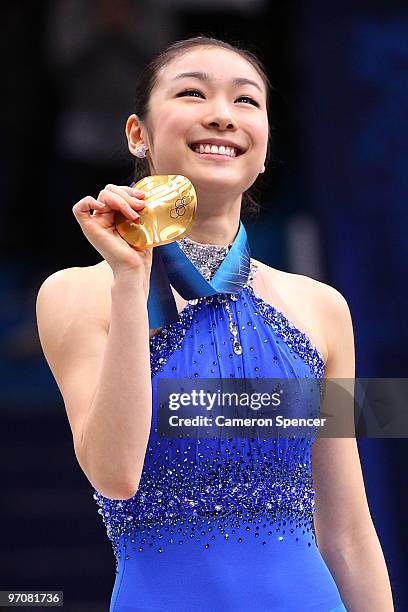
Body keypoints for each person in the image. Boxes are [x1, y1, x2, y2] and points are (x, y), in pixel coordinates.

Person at [36, 36, 394, 611]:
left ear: (265, 137)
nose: (222, 115)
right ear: (138, 134)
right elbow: (115, 475)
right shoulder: (76, 293)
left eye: (246, 101)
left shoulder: (324, 308)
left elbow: (349, 532)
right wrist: (131, 279)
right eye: (192, 93)